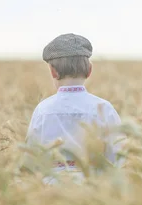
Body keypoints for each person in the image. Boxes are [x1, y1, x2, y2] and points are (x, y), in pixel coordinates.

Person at [25, 33, 124, 184]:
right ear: (89, 70)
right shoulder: (104, 108)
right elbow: (118, 155)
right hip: (94, 187)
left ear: (53, 71)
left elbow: (31, 156)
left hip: (49, 191)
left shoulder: (43, 110)